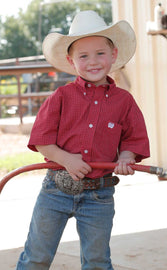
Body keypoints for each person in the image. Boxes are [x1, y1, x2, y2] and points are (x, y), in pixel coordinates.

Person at [16, 10, 150, 270]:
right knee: (37, 257)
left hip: (99, 194)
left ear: (113, 55)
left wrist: (126, 157)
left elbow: (134, 139)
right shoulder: (61, 97)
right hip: (55, 190)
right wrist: (66, 159)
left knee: (97, 262)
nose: (93, 61)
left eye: (100, 53)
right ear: (71, 60)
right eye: (83, 56)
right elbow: (42, 140)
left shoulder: (124, 101)